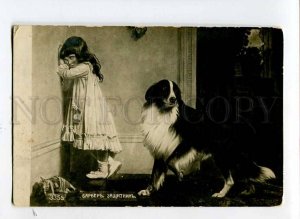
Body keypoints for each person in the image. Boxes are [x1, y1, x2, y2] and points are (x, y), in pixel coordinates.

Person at [57, 36, 122, 179]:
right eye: (66, 57)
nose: (69, 60)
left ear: (80, 56)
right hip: (84, 109)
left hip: (92, 110)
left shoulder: (85, 67)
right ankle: (109, 163)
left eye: (72, 57)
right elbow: (67, 84)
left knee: (96, 139)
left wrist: (61, 61)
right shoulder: (80, 68)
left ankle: (105, 168)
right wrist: (66, 64)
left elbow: (66, 74)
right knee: (88, 139)